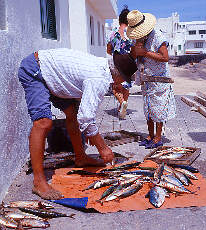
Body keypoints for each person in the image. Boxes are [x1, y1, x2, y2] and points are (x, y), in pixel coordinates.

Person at [18, 48, 137, 200]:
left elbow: (84, 114)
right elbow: (87, 117)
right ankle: (38, 181)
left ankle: (80, 157)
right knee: (43, 123)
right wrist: (103, 147)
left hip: (55, 76)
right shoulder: (98, 78)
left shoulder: (103, 69)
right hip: (36, 69)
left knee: (72, 115)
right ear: (118, 75)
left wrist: (90, 132)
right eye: (125, 80)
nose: (123, 84)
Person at [126, 10, 176, 149]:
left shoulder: (158, 37)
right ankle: (150, 135)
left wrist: (145, 53)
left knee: (158, 108)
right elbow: (134, 56)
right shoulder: (138, 39)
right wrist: (135, 52)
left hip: (159, 79)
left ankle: (158, 137)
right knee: (148, 108)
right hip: (146, 79)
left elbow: (165, 57)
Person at [107, 5, 133, 119]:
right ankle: (122, 108)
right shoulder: (132, 34)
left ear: (120, 20)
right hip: (129, 62)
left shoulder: (113, 34)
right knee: (126, 87)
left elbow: (108, 50)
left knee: (116, 87)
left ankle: (122, 103)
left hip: (116, 62)